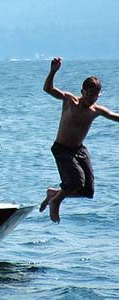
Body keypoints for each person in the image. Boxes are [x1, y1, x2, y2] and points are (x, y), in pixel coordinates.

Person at [39, 57, 119, 223]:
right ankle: (56, 201)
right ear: (82, 91)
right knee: (76, 181)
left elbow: (114, 116)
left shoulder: (95, 110)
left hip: (79, 150)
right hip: (62, 148)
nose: (92, 99)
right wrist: (53, 71)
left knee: (87, 190)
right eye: (90, 95)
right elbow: (48, 89)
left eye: (96, 96)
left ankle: (54, 193)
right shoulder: (69, 101)